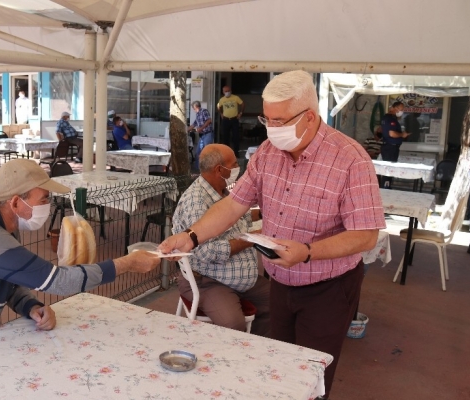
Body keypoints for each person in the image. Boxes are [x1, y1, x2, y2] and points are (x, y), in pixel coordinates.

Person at [159, 70, 385, 400]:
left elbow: (365, 235)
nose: (272, 128)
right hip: (281, 281)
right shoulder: (266, 153)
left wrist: (308, 252)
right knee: (279, 363)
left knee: (311, 375)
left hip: (328, 288)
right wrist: (192, 237)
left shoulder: (350, 159)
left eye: (279, 120)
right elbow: (233, 205)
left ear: (309, 117)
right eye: (267, 118)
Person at [0, 158, 160, 362]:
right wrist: (128, 263)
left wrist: (29, 306)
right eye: (44, 199)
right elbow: (59, 281)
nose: (48, 205)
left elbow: (6, 281)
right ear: (15, 202)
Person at [172, 144, 270, 336]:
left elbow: (235, 217)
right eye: (234, 164)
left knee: (281, 304)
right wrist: (252, 239)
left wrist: (262, 213)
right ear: (219, 170)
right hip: (209, 280)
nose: (237, 168)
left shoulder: (220, 191)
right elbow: (206, 252)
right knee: (233, 324)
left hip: (238, 278)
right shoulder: (197, 201)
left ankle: (257, 351)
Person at [379, 101, 410, 188]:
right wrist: (402, 135)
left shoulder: (387, 118)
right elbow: (392, 134)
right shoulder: (390, 119)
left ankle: (386, 187)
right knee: (389, 170)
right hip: (390, 147)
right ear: (394, 108)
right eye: (401, 109)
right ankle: (386, 188)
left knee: (389, 169)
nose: (402, 111)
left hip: (389, 146)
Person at [217, 85, 244, 155]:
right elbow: (218, 107)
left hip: (234, 119)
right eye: (225, 91)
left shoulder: (235, 97)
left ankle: (236, 153)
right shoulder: (222, 99)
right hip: (226, 120)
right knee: (225, 137)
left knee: (236, 136)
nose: (227, 92)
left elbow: (242, 104)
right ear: (223, 92)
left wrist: (240, 113)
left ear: (231, 91)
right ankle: (227, 153)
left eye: (228, 91)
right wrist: (221, 113)